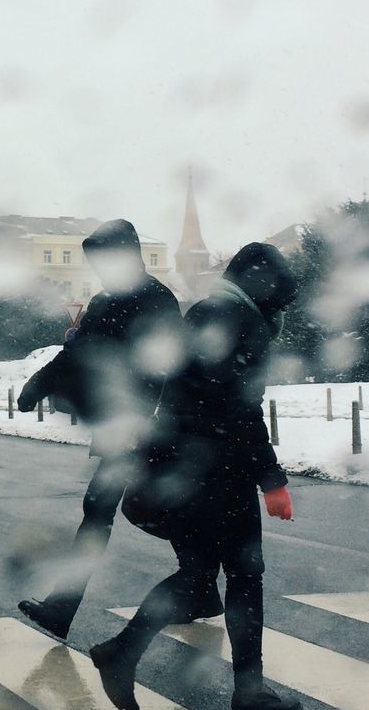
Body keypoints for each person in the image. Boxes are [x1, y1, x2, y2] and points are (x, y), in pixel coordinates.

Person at [89, 241, 303, 710]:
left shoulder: (211, 312)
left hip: (185, 466)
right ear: (261, 288)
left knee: (199, 577)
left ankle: (122, 652)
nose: (281, 312)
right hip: (217, 470)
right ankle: (248, 693)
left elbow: (191, 392)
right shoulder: (237, 318)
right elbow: (238, 407)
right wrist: (271, 480)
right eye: (279, 301)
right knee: (244, 576)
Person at [16, 218, 224, 640]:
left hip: (149, 426)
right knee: (116, 513)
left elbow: (169, 366)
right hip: (121, 425)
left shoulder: (157, 299)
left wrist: (150, 418)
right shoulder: (103, 302)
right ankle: (199, 585)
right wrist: (38, 383)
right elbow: (77, 354)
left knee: (130, 511)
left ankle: (198, 582)